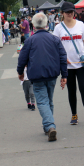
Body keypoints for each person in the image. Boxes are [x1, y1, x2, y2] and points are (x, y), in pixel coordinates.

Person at [17, 13, 68, 141]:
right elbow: (63, 57)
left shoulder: (30, 40)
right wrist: (64, 75)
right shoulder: (54, 39)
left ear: (33, 25)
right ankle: (48, 126)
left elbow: (22, 58)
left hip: (36, 75)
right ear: (46, 24)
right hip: (52, 74)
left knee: (42, 101)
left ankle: (50, 125)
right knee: (49, 100)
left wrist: (20, 72)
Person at [53, 2, 84, 127]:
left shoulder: (80, 25)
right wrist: (62, 58)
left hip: (82, 63)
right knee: (71, 90)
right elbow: (55, 46)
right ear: (62, 13)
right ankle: (74, 115)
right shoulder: (58, 28)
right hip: (67, 66)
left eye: (72, 11)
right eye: (67, 12)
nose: (70, 14)